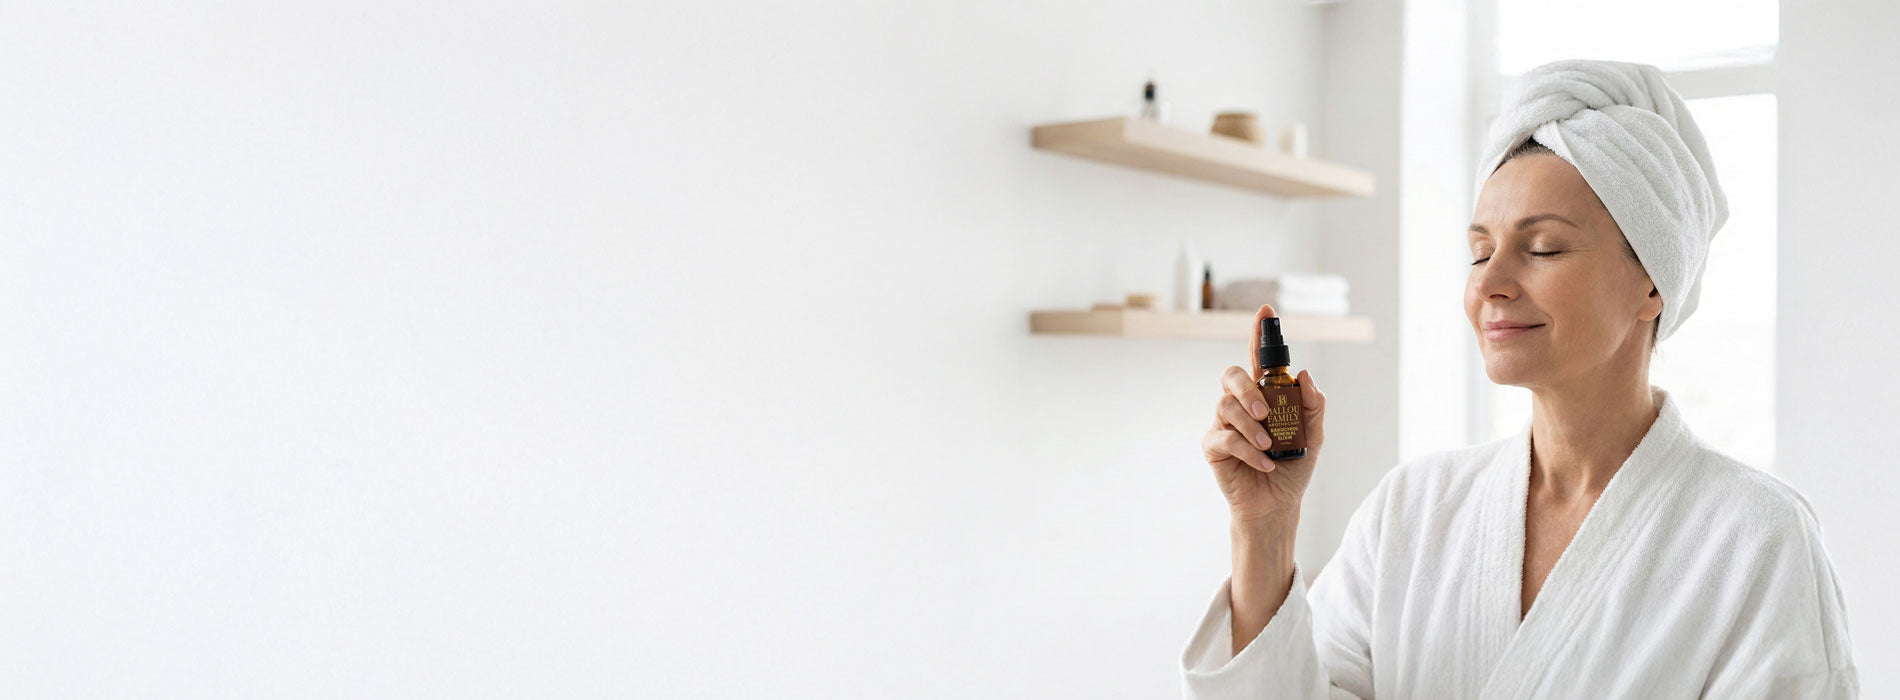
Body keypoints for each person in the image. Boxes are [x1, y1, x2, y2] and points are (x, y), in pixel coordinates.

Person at [1179, 59, 1858, 699]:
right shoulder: (1412, 510)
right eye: (1480, 252)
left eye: (1543, 248)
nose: (1491, 286)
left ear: (1652, 281)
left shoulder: (1756, 540)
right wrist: (1264, 531)